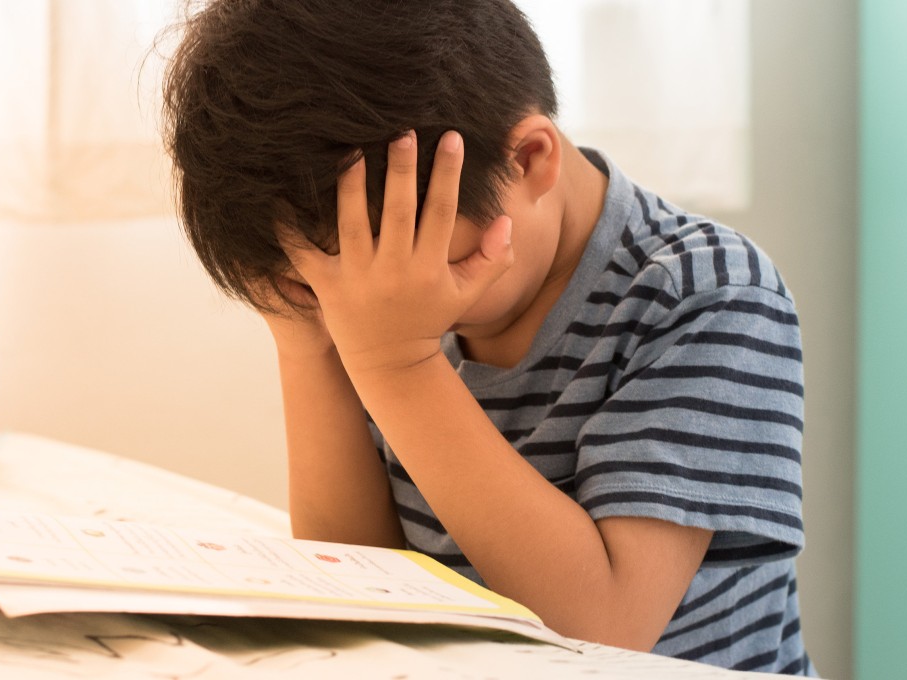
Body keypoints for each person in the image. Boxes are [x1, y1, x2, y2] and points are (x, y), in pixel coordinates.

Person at [161, 0, 814, 674]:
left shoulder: (708, 293)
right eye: (320, 286)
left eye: (414, 261)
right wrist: (309, 342)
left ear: (530, 160)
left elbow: (608, 626)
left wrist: (398, 363)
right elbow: (358, 579)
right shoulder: (380, 301)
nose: (368, 303)